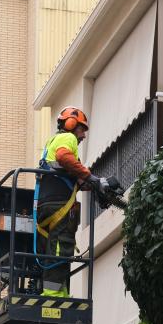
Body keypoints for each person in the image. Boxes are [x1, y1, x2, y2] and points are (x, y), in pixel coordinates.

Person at [36, 107, 110, 297]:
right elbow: (63, 157)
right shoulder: (67, 139)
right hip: (59, 204)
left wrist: (95, 185)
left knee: (53, 248)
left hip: (45, 204)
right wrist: (91, 177)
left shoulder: (52, 142)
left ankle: (59, 292)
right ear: (70, 124)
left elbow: (71, 178)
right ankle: (53, 295)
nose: (83, 135)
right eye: (82, 129)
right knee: (62, 247)